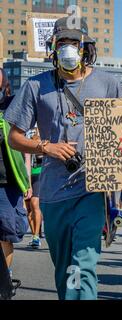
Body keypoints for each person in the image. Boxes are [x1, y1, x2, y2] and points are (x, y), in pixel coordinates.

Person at [4, 17, 122, 300]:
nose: (68, 48)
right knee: (66, 268)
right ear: (53, 48)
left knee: (83, 262)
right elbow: (14, 136)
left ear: (85, 47)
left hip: (92, 191)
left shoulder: (108, 83)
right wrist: (45, 147)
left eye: (73, 43)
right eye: (62, 42)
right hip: (54, 193)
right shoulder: (35, 86)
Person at [0, 68, 30, 298]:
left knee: (6, 233)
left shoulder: (12, 105)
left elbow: (23, 146)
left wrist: (27, 179)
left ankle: (5, 278)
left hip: (7, 181)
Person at [25, 127, 43, 249]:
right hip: (27, 173)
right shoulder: (24, 132)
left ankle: (36, 235)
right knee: (28, 208)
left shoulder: (46, 133)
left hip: (41, 172)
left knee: (34, 203)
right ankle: (35, 233)